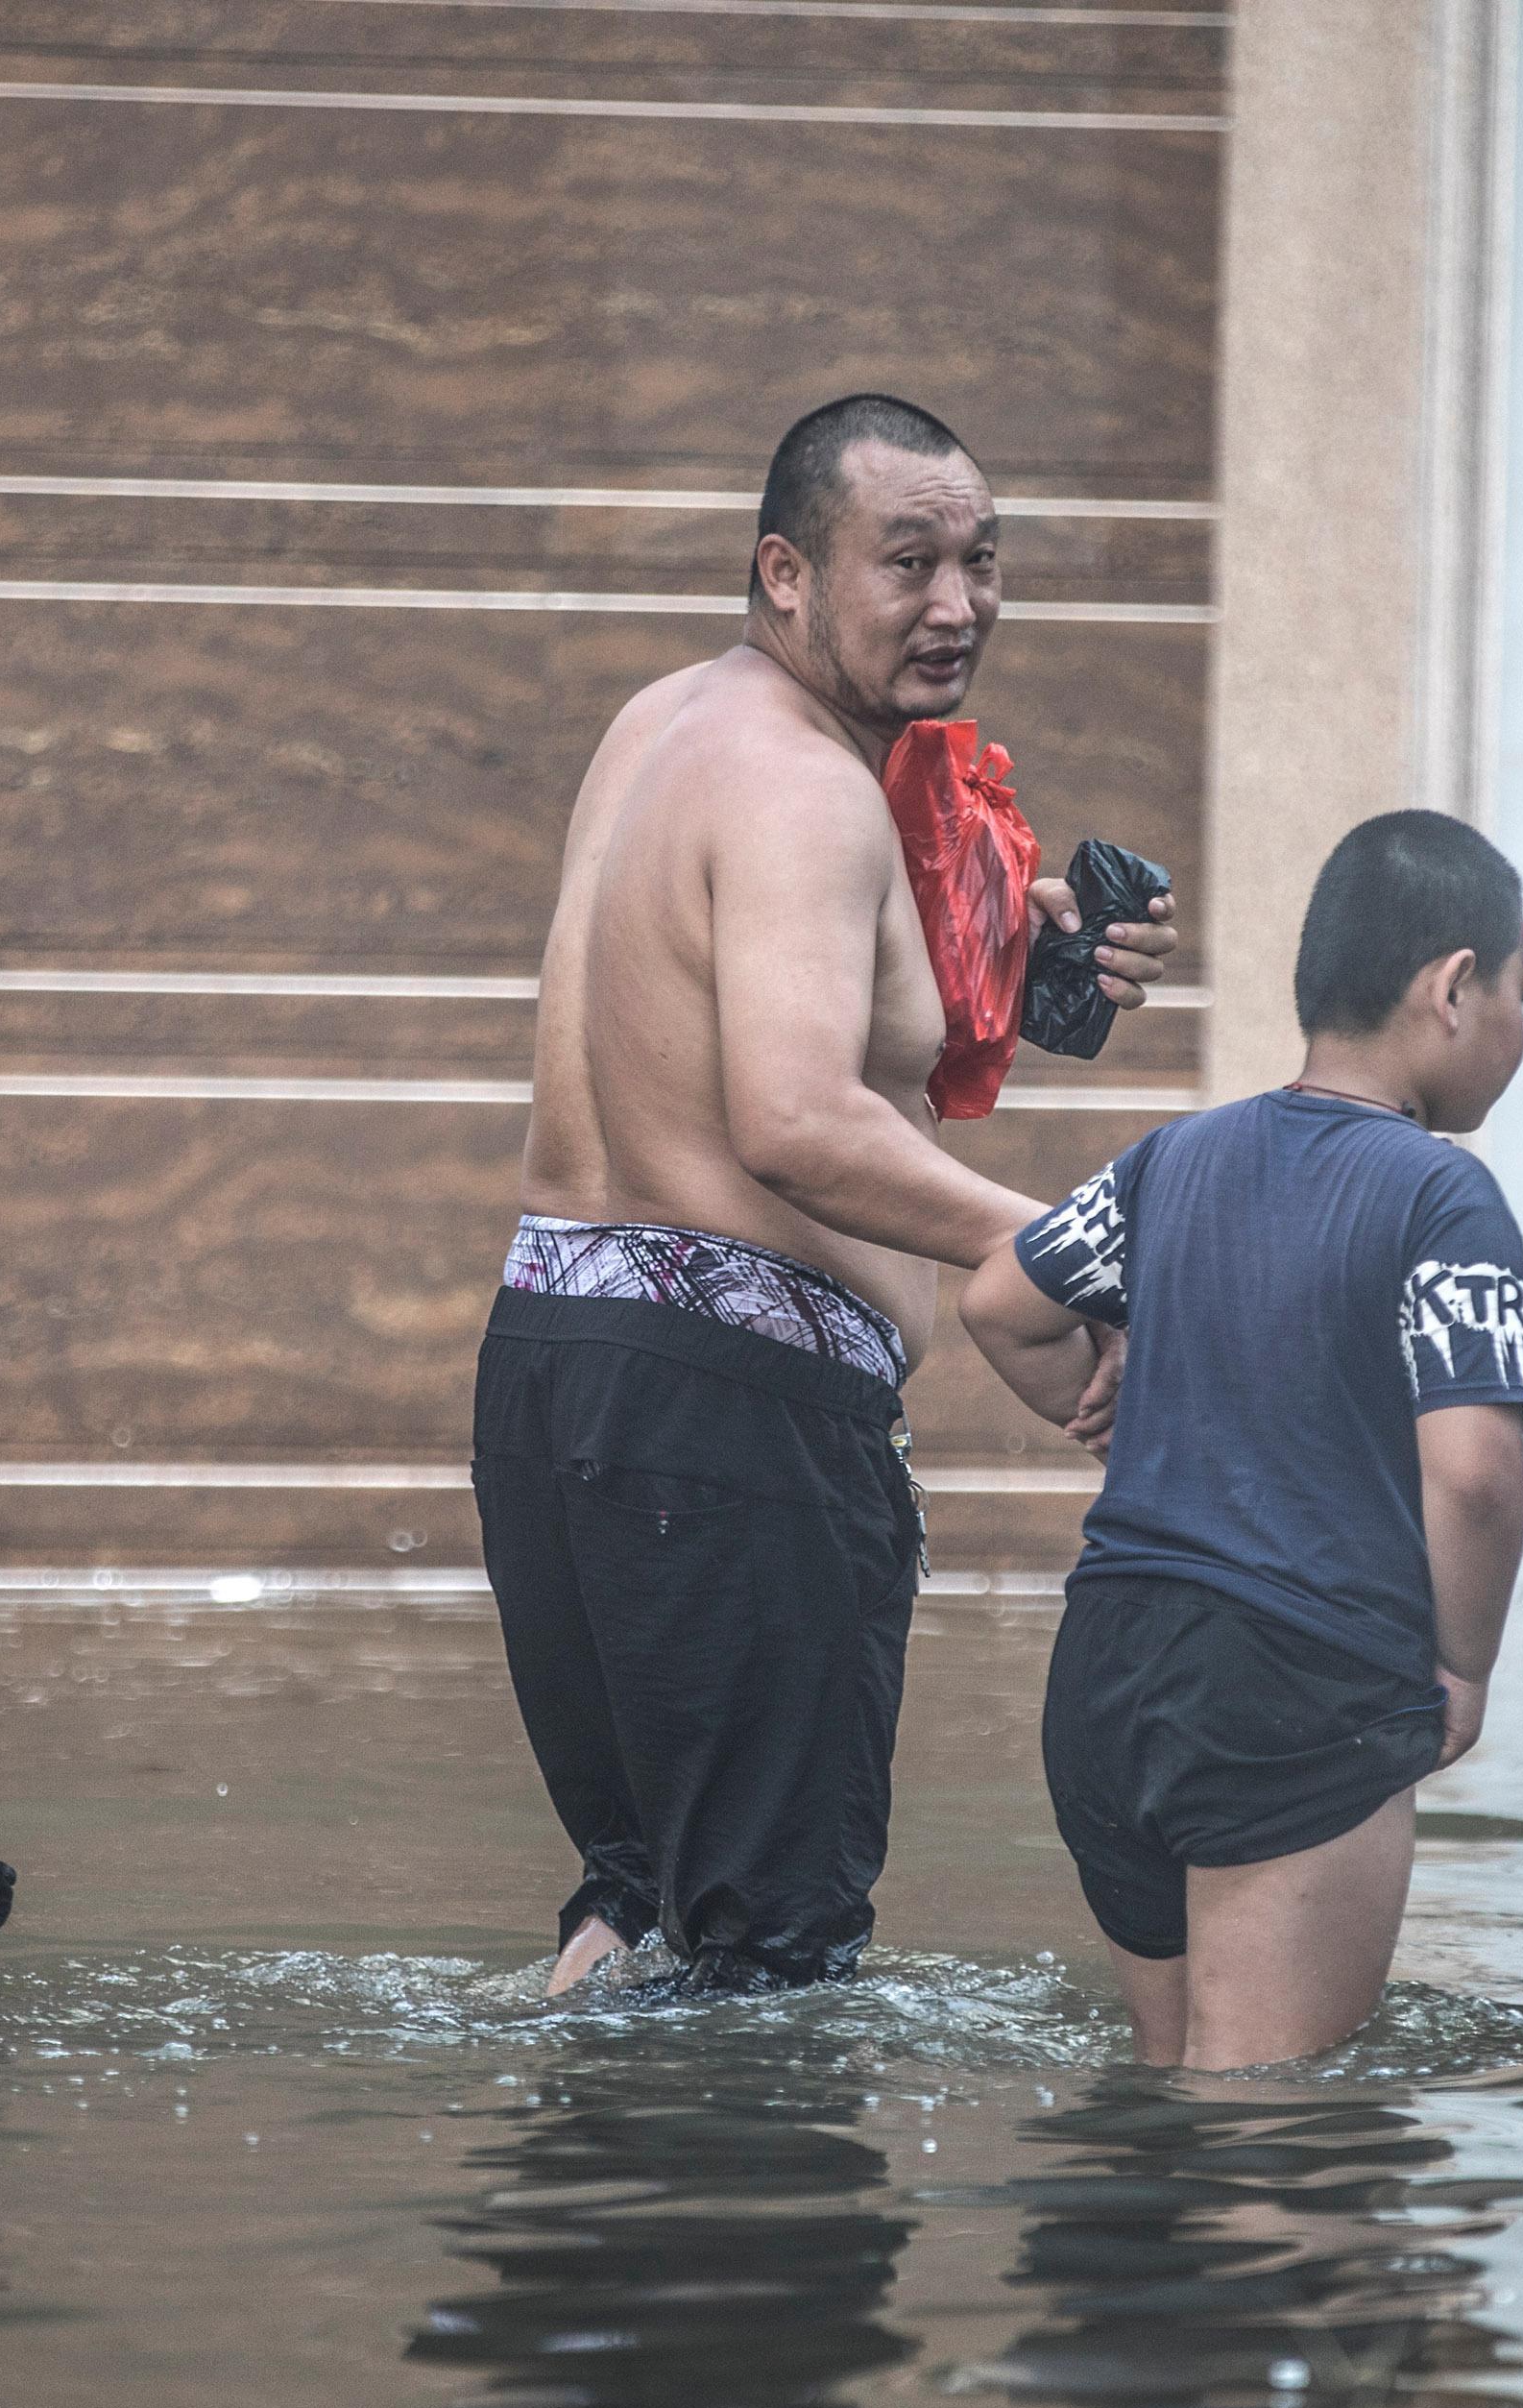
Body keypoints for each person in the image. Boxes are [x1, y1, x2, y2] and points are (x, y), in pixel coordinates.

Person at [473, 392, 1174, 1999]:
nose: (958, 605)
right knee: (779, 1969)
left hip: (556, 1383)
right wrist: (1056, 1251)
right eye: (907, 560)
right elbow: (788, 1116)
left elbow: (729, 1006)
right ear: (784, 572)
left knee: (640, 1918)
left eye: (982, 562)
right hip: (724, 1437)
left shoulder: (664, 725)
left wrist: (1016, 955)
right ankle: (759, 2247)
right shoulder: (806, 790)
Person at [959, 811, 1523, 2069]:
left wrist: (1117, 1420)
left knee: (1168, 2102)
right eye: (1519, 993)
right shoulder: (1444, 1194)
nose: (1520, 1031)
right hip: (1296, 1684)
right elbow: (1479, 1477)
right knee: (1267, 2147)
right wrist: (1463, 1667)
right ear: (1453, 988)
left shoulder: (1175, 1160)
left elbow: (1000, 1302)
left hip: (1106, 1670)